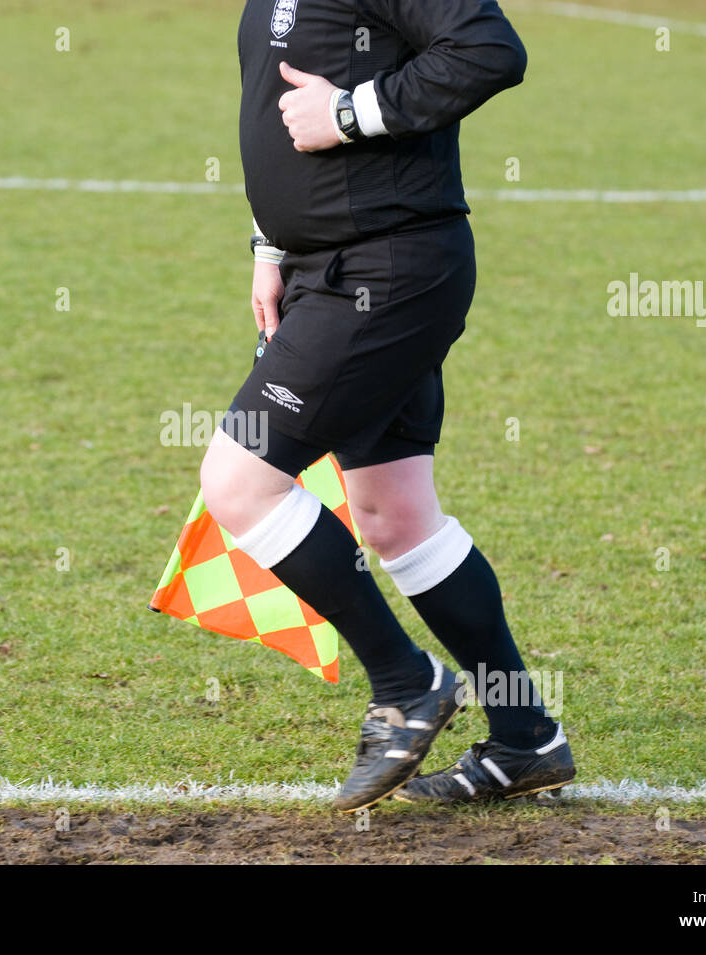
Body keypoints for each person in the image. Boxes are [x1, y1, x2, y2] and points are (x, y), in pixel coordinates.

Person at [199, 0, 576, 812]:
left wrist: (347, 113)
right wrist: (271, 247)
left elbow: (488, 50)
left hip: (384, 271)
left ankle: (407, 684)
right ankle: (525, 738)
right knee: (396, 515)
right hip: (326, 269)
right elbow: (272, 105)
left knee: (239, 480)